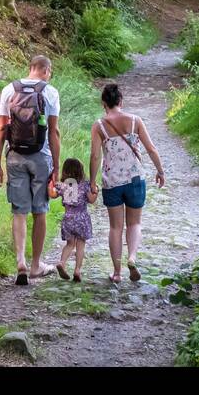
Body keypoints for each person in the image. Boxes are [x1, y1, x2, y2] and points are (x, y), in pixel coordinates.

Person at [0, 55, 60, 285]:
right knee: (40, 210)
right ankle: (36, 266)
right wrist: (57, 167)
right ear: (46, 70)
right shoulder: (50, 92)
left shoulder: (9, 90)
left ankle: (20, 261)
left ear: (30, 68)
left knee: (19, 211)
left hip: (15, 156)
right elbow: (53, 132)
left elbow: (1, 129)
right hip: (41, 156)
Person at [89, 82, 164, 283]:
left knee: (115, 227)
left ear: (103, 102)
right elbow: (151, 149)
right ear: (121, 101)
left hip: (112, 182)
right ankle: (131, 257)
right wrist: (160, 171)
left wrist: (92, 181)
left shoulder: (99, 126)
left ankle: (117, 272)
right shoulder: (135, 121)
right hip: (135, 179)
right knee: (135, 223)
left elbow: (95, 156)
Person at [51, 159, 94, 282]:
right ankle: (77, 270)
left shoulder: (63, 185)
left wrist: (52, 184)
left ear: (65, 171)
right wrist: (96, 191)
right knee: (80, 245)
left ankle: (62, 263)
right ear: (81, 171)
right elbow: (91, 200)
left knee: (70, 244)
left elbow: (53, 195)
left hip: (68, 219)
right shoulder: (85, 185)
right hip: (82, 219)